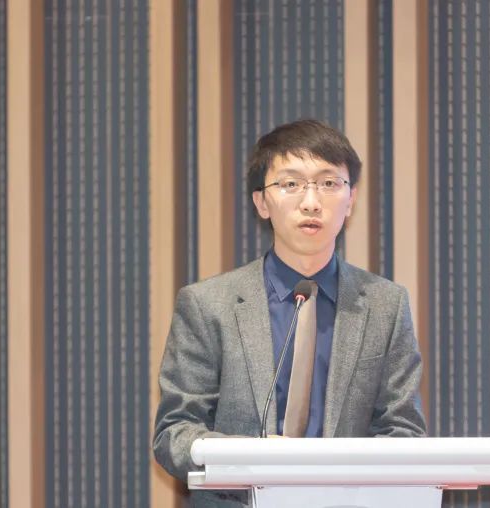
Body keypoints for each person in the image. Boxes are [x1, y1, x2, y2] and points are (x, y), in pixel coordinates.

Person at [153, 119, 426, 507]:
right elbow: (175, 433)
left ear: (351, 199)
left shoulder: (386, 305)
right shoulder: (207, 305)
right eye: (291, 184)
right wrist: (255, 461)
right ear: (262, 203)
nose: (311, 202)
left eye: (328, 183)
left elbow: (403, 429)